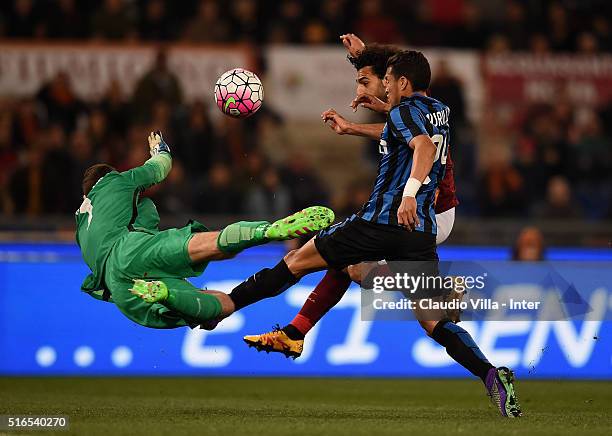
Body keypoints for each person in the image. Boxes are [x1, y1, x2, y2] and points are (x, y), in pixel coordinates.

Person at [214, 50, 521, 418]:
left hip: (379, 220)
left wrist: (407, 193)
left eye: (389, 81)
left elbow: (419, 144)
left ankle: (228, 306)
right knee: (431, 320)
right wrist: (360, 120)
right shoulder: (439, 110)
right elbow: (408, 131)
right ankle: (491, 376)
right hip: (419, 230)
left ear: (403, 83)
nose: (386, 87)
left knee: (297, 261)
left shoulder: (406, 112)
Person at [244, 33, 459, 357]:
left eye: (366, 80)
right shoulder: (414, 110)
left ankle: (437, 290)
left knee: (355, 267)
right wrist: (353, 123)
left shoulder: (409, 109)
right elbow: (399, 131)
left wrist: (366, 57)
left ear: (397, 81)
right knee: (343, 258)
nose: (363, 90)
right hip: (427, 209)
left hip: (426, 210)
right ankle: (295, 332)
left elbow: (414, 139)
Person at [76, 131, 334, 329]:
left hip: (119, 291)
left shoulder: (81, 228)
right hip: (131, 249)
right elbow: (161, 166)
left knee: (223, 306)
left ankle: (169, 297)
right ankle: (267, 231)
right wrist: (159, 148)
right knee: (207, 245)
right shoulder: (114, 182)